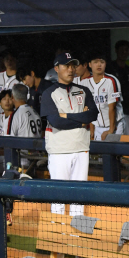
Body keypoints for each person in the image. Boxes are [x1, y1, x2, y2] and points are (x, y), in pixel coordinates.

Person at [41, 52, 98, 216]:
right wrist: (81, 120)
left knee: (79, 197)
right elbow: (56, 121)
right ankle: (57, 237)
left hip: (81, 148)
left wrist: (67, 116)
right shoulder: (48, 93)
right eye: (66, 65)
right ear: (56, 68)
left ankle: (76, 237)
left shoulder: (84, 90)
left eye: (73, 65)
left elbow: (92, 115)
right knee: (58, 196)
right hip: (59, 150)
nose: (71, 69)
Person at [80, 55, 124, 141]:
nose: (99, 65)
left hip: (115, 125)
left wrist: (110, 130)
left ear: (105, 64)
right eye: (95, 62)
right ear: (90, 64)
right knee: (100, 153)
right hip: (98, 126)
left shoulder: (112, 80)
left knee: (115, 152)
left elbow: (112, 107)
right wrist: (92, 129)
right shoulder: (85, 83)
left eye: (102, 62)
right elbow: (89, 108)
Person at [110, 40, 129, 135]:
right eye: (121, 50)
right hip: (113, 109)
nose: (124, 52)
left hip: (127, 109)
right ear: (116, 51)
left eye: (126, 50)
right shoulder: (110, 68)